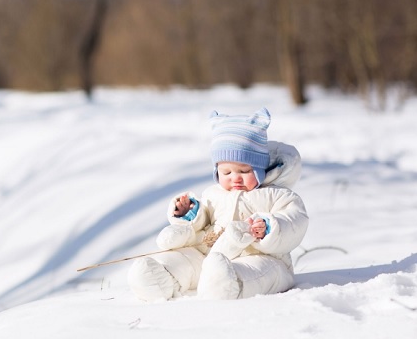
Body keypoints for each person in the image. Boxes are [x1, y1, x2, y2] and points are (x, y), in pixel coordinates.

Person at [127, 107, 309, 301]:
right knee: (187, 259)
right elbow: (205, 220)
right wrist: (191, 213)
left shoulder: (277, 195)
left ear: (260, 169)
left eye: (244, 171)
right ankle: (159, 277)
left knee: (258, 273)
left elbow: (296, 220)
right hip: (210, 254)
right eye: (227, 173)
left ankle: (228, 285)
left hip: (260, 256)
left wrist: (269, 226)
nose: (235, 179)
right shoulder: (213, 194)